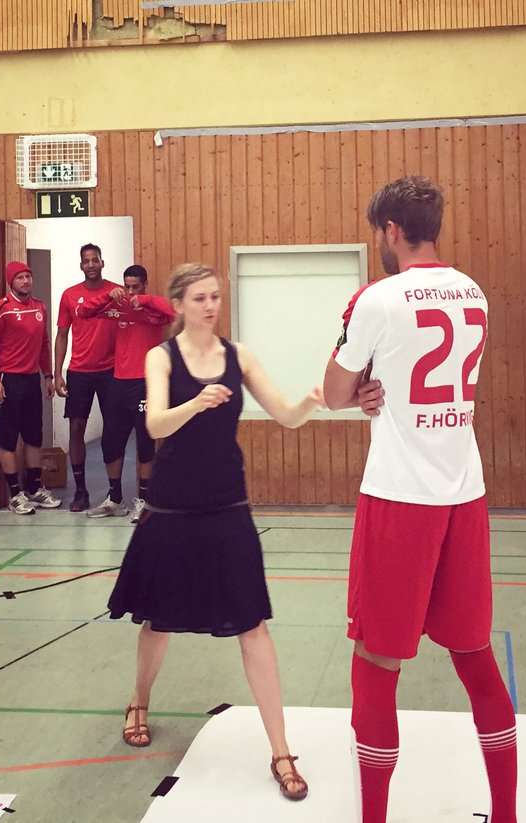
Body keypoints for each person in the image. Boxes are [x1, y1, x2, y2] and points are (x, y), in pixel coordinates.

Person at [323, 176, 516, 823]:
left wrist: (360, 389)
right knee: (475, 654)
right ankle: (508, 813)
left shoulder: (375, 299)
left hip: (400, 496)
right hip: (464, 491)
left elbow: (331, 390)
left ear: (391, 231)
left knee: (377, 658)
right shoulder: (475, 293)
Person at [106, 263, 327, 802]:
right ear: (179, 304)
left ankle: (280, 751)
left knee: (253, 626)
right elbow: (155, 425)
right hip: (173, 507)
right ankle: (139, 698)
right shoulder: (161, 357)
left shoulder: (240, 356)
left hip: (228, 504)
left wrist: (310, 400)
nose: (211, 306)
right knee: (158, 621)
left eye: (216, 297)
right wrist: (196, 402)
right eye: (201, 298)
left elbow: (286, 416)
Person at [76, 264, 174, 521]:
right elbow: (83, 311)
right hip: (118, 382)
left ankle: (143, 500)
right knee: (111, 442)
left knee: (144, 442)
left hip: (144, 382)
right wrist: (109, 296)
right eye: (127, 286)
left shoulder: (152, 309)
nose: (130, 291)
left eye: (136, 287)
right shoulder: (116, 307)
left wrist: (142, 300)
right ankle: (115, 499)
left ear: (144, 284)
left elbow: (173, 310)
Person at [0, 261, 62, 515]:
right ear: (11, 282)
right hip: (9, 379)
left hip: (31, 380)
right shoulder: (1, 308)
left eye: (28, 276)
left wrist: (47, 375)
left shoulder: (40, 307)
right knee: (8, 440)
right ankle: (15, 494)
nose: (26, 281)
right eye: (20, 278)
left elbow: (43, 343)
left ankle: (35, 489)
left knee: (34, 437)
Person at [53, 243, 123, 512]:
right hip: (79, 372)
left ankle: (114, 491)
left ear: (102, 263)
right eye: (86, 261)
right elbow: (61, 335)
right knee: (76, 429)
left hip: (111, 372)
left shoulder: (116, 291)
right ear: (81, 265)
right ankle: (80, 491)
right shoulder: (70, 295)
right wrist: (57, 373)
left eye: (95, 260)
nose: (91, 264)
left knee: (113, 430)